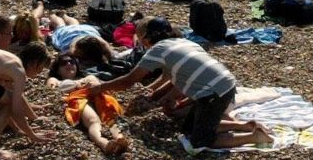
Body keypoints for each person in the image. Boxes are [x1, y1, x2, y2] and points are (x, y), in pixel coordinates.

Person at [93, 19, 272, 151]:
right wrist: (152, 94)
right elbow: (171, 78)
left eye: (140, 40)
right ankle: (246, 125)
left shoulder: (158, 50)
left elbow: (128, 80)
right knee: (187, 127)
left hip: (213, 93)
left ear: (147, 38)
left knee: (200, 142)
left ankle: (254, 136)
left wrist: (100, 87)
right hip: (224, 84)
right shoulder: (183, 42)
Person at [49, 49, 133, 157]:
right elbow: (52, 89)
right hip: (78, 100)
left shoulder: (88, 77)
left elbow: (96, 85)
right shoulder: (55, 79)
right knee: (93, 121)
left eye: (72, 62)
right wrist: (79, 85)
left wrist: (75, 85)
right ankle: (104, 143)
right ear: (58, 69)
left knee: (109, 118)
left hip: (98, 98)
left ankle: (119, 137)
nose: (69, 64)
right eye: (63, 63)